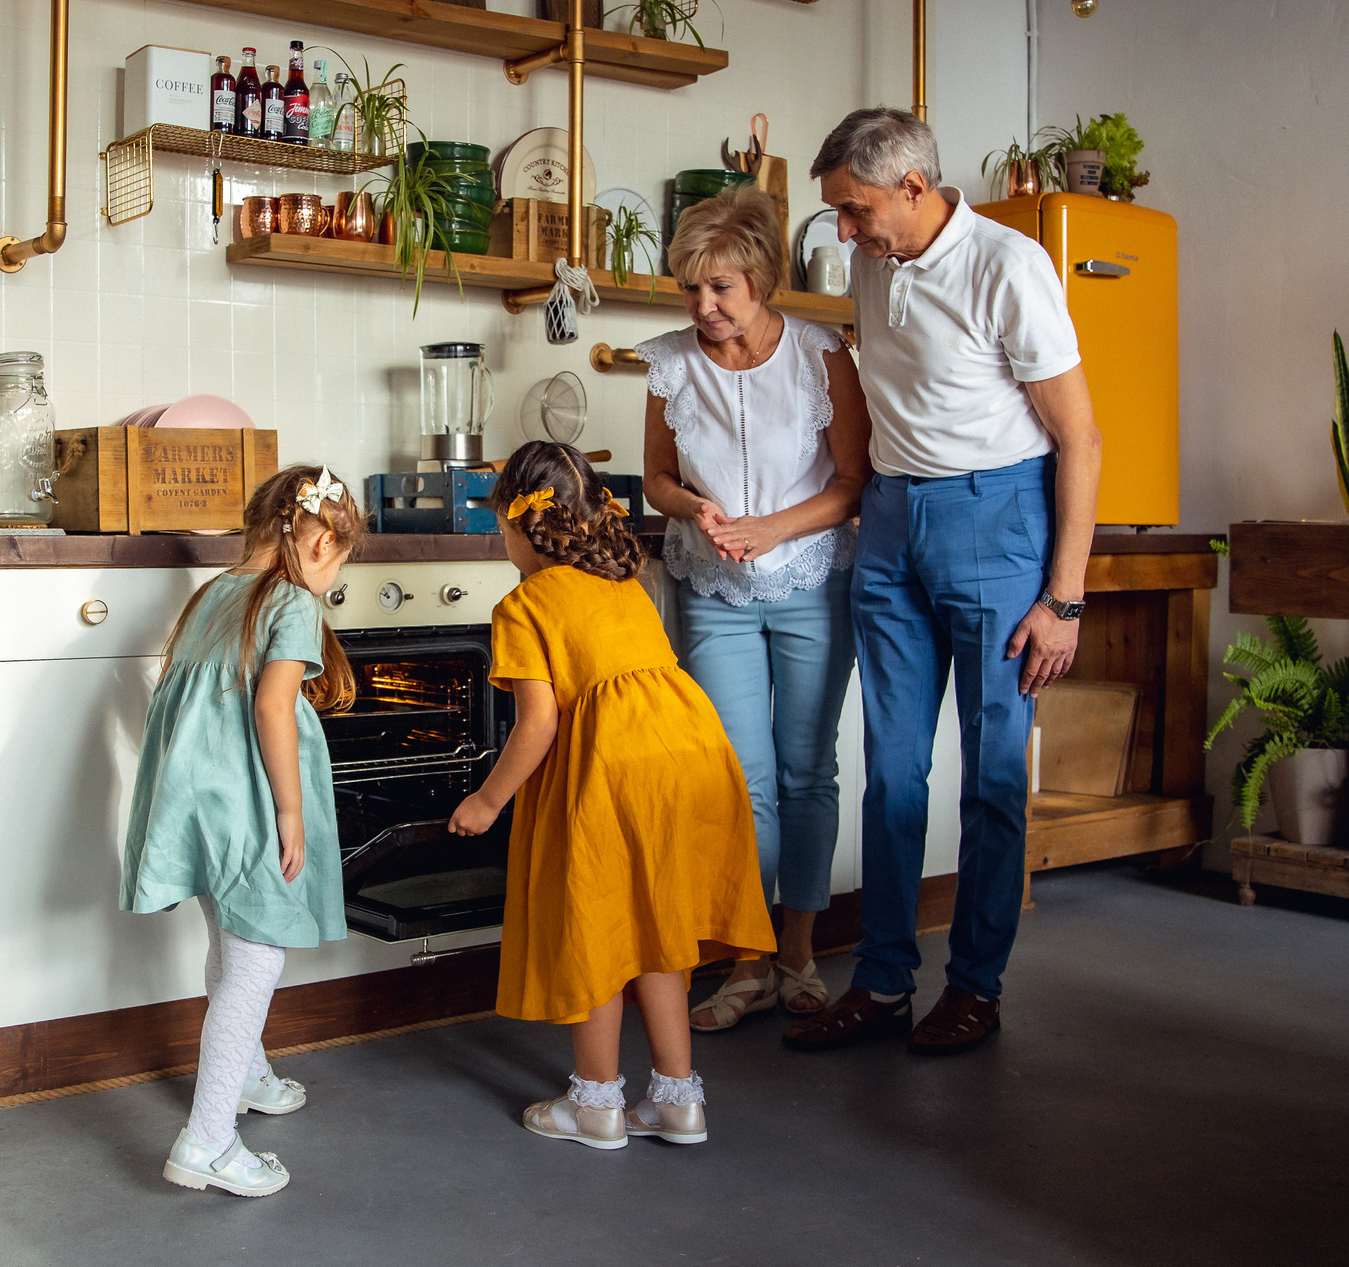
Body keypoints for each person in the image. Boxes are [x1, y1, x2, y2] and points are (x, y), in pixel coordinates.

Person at [783, 108, 1103, 1058]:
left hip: (996, 521)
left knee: (995, 771)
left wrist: (1065, 598)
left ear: (915, 187)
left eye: (855, 209)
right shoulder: (873, 262)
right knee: (891, 767)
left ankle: (976, 986)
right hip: (891, 520)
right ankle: (883, 979)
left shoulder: (1011, 268)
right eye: (837, 213)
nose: (844, 231)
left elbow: (1080, 438)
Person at [447, 443, 777, 1150]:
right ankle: (678, 1100)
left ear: (519, 525)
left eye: (499, 529)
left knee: (595, 928)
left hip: (613, 770)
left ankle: (596, 1105)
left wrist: (488, 800)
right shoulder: (626, 581)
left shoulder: (525, 603)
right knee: (660, 926)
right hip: (688, 750)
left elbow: (538, 724)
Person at [638, 184, 870, 1033]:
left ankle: (800, 954)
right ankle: (748, 963)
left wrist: (774, 526)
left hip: (812, 578)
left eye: (722, 287)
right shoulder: (668, 362)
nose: (704, 306)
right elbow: (657, 475)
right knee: (740, 780)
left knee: (807, 771)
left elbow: (853, 483)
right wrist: (690, 507)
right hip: (712, 590)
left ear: (762, 279)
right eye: (691, 288)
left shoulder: (820, 355)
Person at [121, 466, 363, 1196]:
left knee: (230, 938)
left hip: (193, 801)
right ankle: (208, 1140)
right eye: (343, 559)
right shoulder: (288, 603)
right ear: (318, 539)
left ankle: (248, 1073)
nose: (337, 574)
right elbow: (271, 709)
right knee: (257, 961)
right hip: (247, 799)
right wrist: (290, 809)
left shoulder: (214, 594)